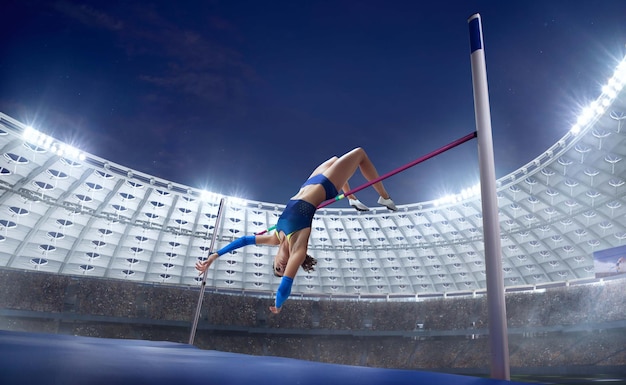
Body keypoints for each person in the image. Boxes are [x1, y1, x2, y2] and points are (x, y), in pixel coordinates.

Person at [195, 147, 397, 314]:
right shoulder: (299, 247)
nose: (282, 267)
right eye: (283, 270)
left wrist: (214, 256)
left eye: (277, 267)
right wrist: (278, 304)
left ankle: (351, 199)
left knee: (336, 158)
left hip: (308, 183)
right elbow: (285, 286)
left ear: (273, 260)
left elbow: (244, 241)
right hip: (325, 186)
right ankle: (384, 196)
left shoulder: (275, 237)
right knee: (360, 153)